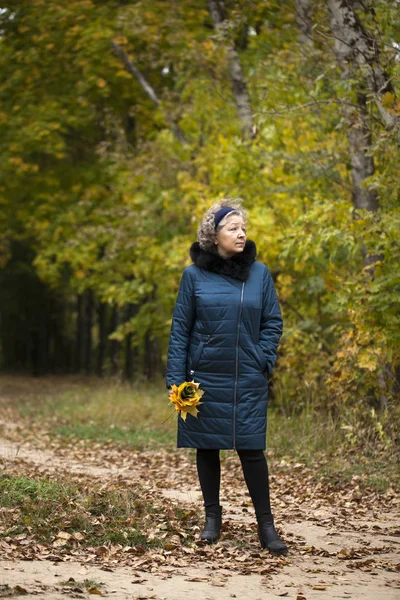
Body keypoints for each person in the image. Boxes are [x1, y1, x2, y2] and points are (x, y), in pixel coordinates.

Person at [166, 198, 287, 555]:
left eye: (243, 227)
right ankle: (212, 520)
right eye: (233, 227)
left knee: (252, 448)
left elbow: (273, 322)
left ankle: (266, 527)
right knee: (208, 446)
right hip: (204, 376)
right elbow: (180, 330)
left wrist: (262, 357)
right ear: (214, 235)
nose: (241, 232)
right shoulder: (194, 276)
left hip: (247, 375)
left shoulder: (260, 274)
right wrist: (176, 378)